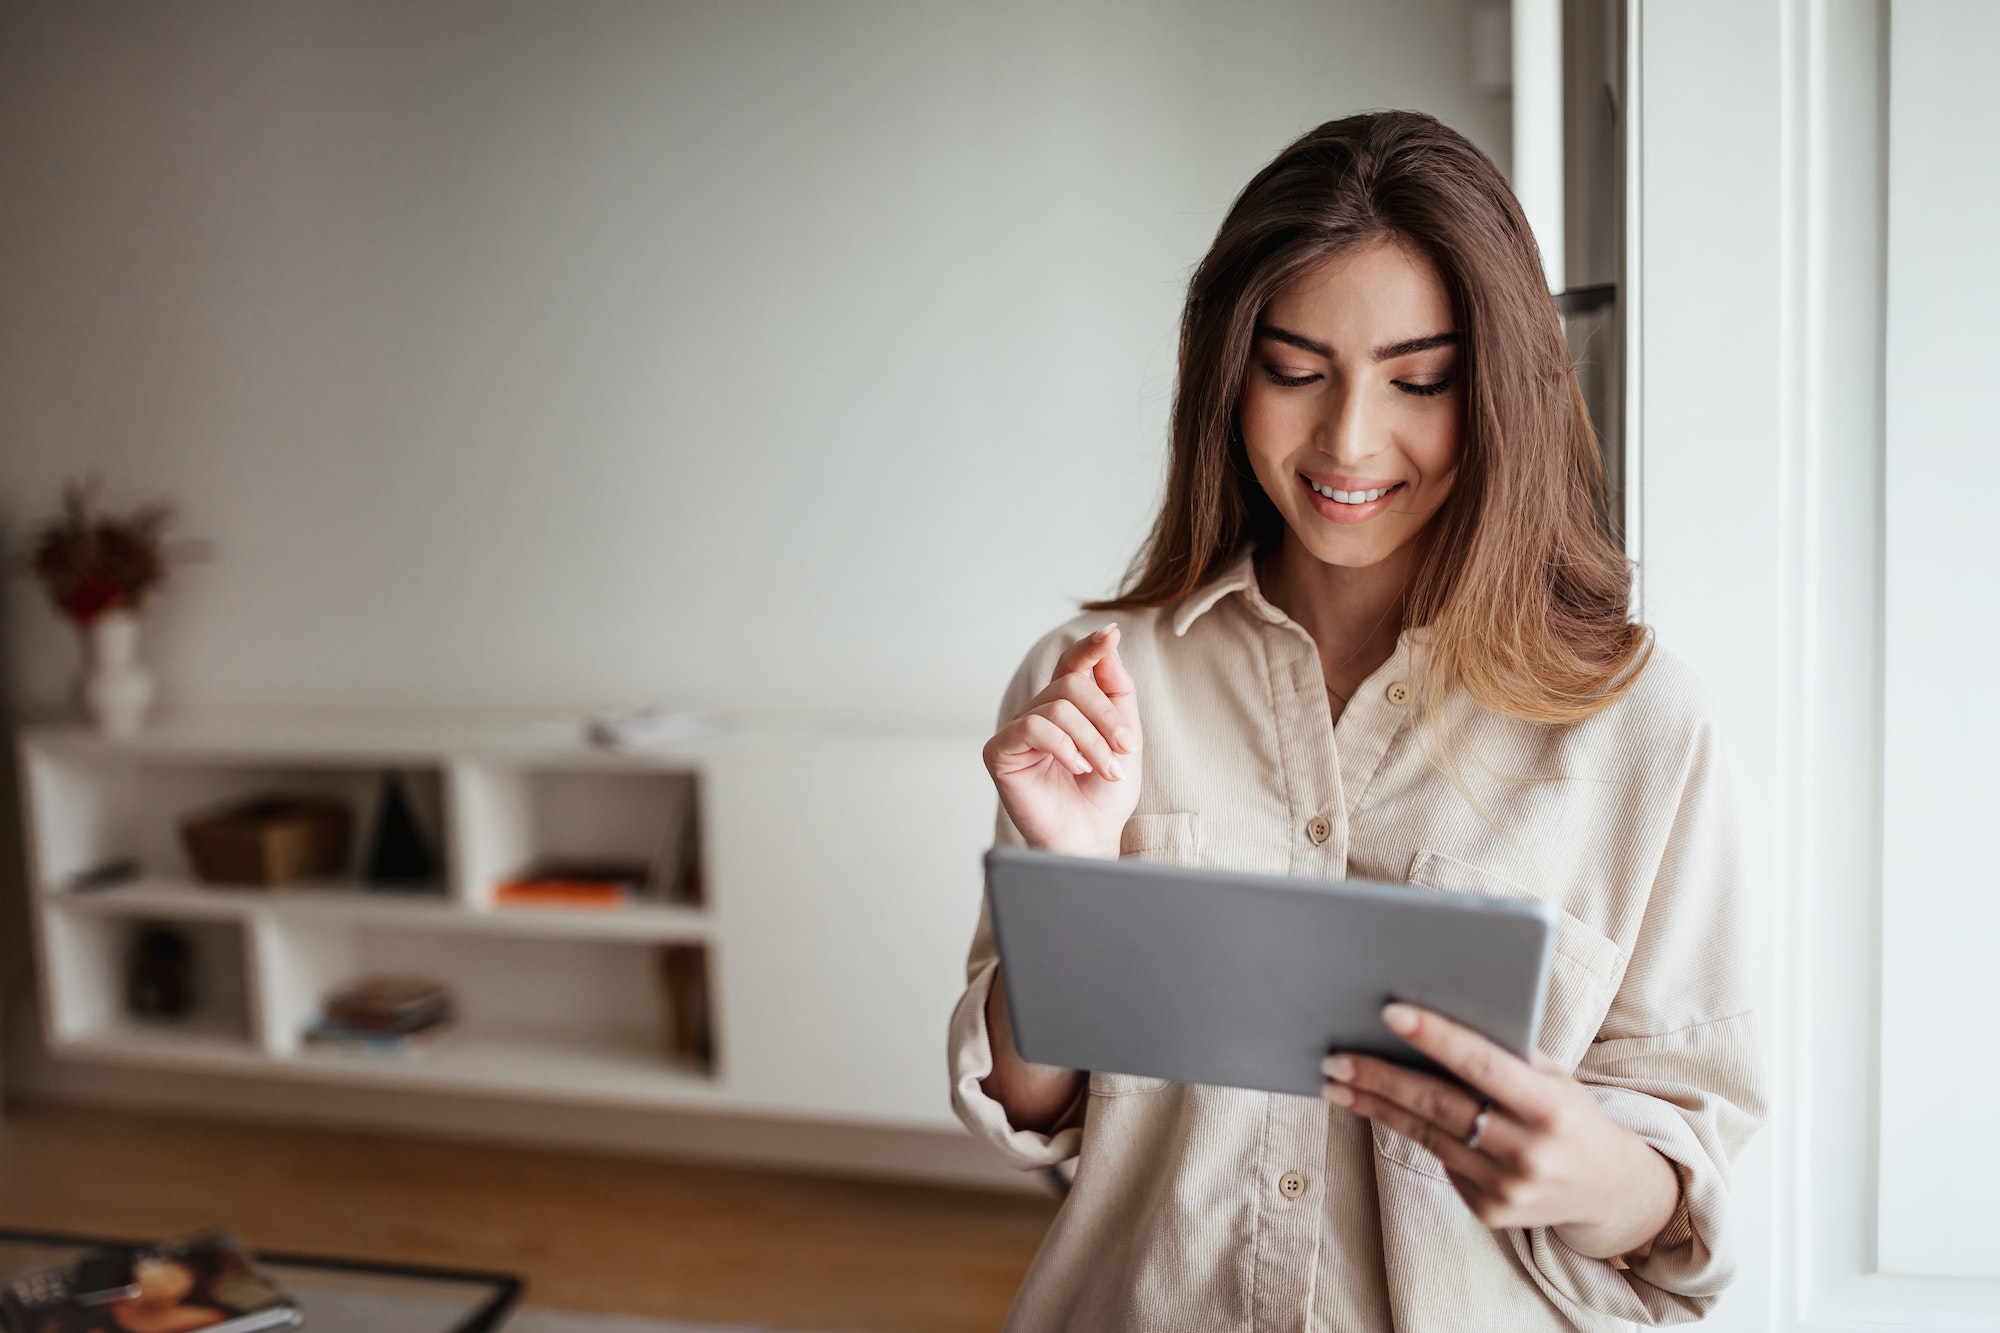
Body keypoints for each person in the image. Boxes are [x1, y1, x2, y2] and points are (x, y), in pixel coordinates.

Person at [947, 111, 1766, 1332]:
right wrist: (1065, 882)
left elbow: (1676, 1185)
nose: (1346, 439)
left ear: (1496, 390)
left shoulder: (1641, 726)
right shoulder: (1095, 682)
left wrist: (1586, 1169)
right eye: (1293, 370)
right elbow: (1033, 1108)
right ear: (1227, 373)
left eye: (1418, 380)